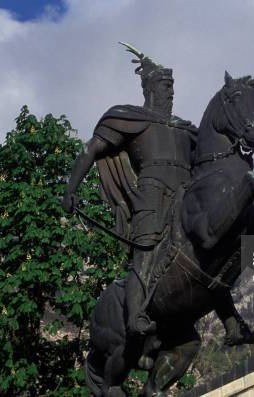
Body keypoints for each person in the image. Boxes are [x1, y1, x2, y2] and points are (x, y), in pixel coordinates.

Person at [62, 43, 197, 336]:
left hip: (187, 194)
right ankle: (135, 314)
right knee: (146, 251)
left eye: (172, 87)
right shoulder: (130, 118)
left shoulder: (186, 129)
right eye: (164, 86)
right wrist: (70, 189)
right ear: (149, 89)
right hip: (152, 194)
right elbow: (90, 150)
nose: (170, 92)